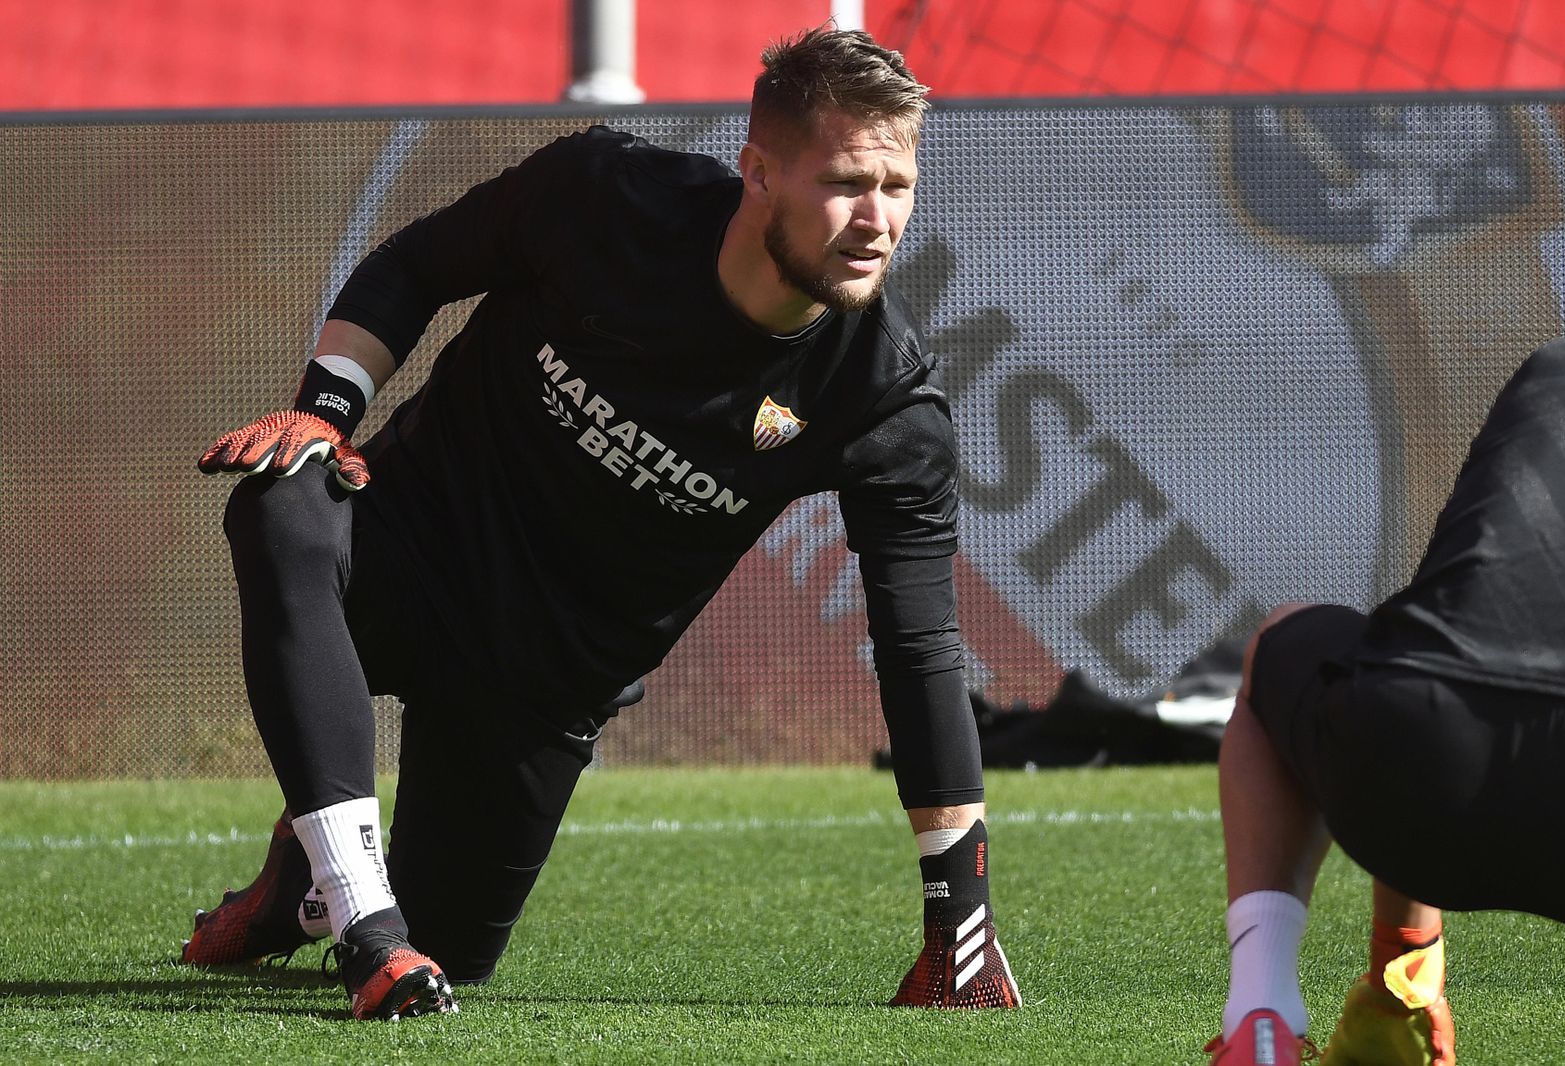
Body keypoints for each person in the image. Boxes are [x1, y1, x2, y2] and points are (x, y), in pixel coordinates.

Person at [182, 25, 1021, 1021]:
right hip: (410, 556)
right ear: (757, 171)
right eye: (845, 182)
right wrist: (323, 416)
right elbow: (416, 265)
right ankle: (364, 920)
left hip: (540, 687)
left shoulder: (886, 400)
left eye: (897, 187)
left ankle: (306, 881)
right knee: (283, 498)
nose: (875, 220)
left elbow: (918, 648)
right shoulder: (603, 196)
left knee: (452, 944)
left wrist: (958, 926)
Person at [1205, 326, 1565, 1064]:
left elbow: (1431, 639)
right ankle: (1399, 992)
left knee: (1287, 642)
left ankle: (1265, 1015)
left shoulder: (1561, 367)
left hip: (1419, 757)